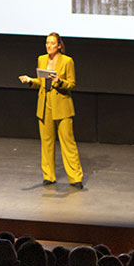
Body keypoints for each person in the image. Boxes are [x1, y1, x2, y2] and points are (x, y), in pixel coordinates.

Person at [18, 32, 84, 188]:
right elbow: (40, 82)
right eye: (47, 43)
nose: (49, 46)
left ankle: (75, 177)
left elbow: (72, 84)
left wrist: (59, 81)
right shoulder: (42, 59)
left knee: (68, 142)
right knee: (46, 142)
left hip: (61, 105)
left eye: (52, 43)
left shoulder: (67, 61)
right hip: (45, 103)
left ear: (59, 45)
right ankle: (48, 175)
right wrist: (30, 81)